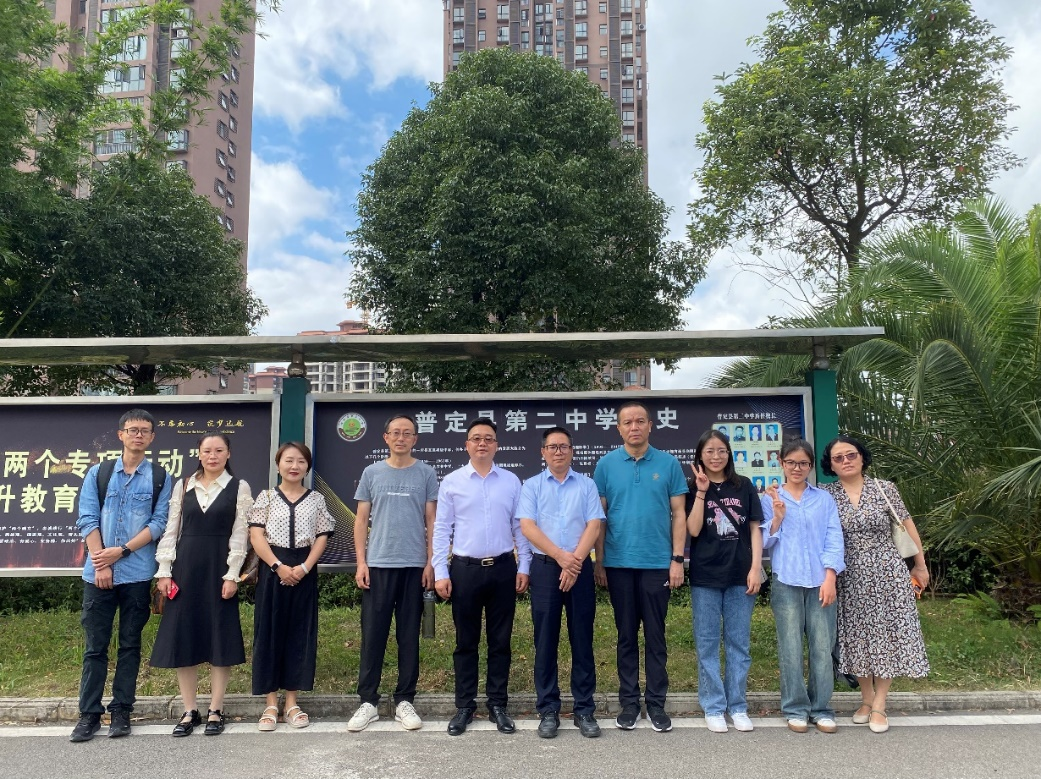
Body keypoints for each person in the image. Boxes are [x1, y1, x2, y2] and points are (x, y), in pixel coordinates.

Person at [70, 409, 172, 743]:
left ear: (152, 437)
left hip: (138, 574)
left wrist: (123, 551)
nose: (138, 435)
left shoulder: (160, 477)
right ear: (121, 435)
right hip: (97, 574)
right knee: (95, 647)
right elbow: (87, 518)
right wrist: (102, 563)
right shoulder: (98, 473)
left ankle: (121, 711)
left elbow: (158, 523)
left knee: (130, 644)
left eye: (144, 431)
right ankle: (88, 714)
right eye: (132, 430)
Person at [821, 435, 930, 734]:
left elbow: (907, 525)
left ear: (862, 457)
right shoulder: (826, 494)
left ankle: (880, 703)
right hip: (848, 576)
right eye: (838, 458)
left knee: (886, 636)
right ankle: (866, 698)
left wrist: (920, 565)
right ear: (831, 465)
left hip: (887, 573)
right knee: (856, 636)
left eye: (851, 455)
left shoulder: (884, 488)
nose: (845, 461)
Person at [593, 401, 687, 733]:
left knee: (656, 636)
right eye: (627, 422)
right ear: (618, 428)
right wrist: (599, 561)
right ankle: (630, 703)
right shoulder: (606, 465)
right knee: (626, 636)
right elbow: (599, 518)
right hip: (618, 564)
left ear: (650, 425)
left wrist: (677, 559)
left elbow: (679, 514)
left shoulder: (668, 464)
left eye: (640, 421)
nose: (634, 427)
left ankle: (656, 704)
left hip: (657, 564)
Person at [433, 418, 531, 736]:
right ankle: (465, 706)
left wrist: (524, 566)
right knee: (466, 642)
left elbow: (520, 527)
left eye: (488, 438)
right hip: (465, 570)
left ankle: (498, 705)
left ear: (496, 445)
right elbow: (442, 529)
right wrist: (440, 571)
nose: (482, 443)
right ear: (467, 445)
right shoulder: (452, 482)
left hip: (503, 568)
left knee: (500, 642)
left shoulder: (511, 481)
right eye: (476, 438)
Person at [151, 432, 253, 737]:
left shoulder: (239, 487)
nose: (213, 456)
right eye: (207, 450)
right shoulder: (184, 485)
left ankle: (216, 709)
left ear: (228, 454)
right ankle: (189, 710)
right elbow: (172, 529)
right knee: (185, 638)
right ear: (199, 454)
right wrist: (164, 570)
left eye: (219, 450)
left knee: (220, 638)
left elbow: (241, 534)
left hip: (219, 569)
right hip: (185, 568)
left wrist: (232, 574)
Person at [348, 415, 439, 733]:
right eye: (395, 433)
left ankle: (405, 700)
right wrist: (361, 563)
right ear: (385, 437)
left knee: (408, 635)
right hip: (378, 565)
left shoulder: (426, 473)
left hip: (414, 566)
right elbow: (361, 520)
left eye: (407, 433)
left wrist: (431, 562)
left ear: (415, 439)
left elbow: (432, 521)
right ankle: (368, 702)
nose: (401, 438)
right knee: (373, 635)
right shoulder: (371, 472)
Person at [518, 427, 605, 739]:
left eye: (564, 446)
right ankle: (548, 709)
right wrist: (561, 557)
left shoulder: (586, 485)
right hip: (545, 569)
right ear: (543, 452)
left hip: (579, 569)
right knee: (545, 640)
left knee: (582, 639)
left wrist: (574, 562)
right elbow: (527, 526)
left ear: (572, 451)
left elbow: (594, 525)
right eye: (552, 447)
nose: (558, 451)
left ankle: (584, 709)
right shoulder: (531, 486)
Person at [760, 439, 845, 734]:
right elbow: (764, 543)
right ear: (781, 463)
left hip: (821, 582)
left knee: (822, 646)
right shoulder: (769, 498)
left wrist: (831, 577)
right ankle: (795, 708)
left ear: (810, 466)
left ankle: (821, 708)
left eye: (803, 463)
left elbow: (834, 538)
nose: (797, 468)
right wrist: (778, 517)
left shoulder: (824, 499)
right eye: (791, 462)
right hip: (786, 580)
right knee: (791, 647)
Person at [249, 442, 334, 731]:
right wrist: (278, 566)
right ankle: (271, 704)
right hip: (272, 568)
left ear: (307, 467)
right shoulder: (266, 497)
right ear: (278, 465)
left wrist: (305, 567)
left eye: (300, 461)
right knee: (269, 632)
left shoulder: (316, 499)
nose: (294, 466)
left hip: (304, 569)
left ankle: (292, 703)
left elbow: (322, 536)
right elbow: (256, 536)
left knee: (299, 634)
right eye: (288, 460)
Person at [686, 429, 763, 733]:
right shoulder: (692, 487)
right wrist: (701, 492)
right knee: (707, 643)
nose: (716, 456)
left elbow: (755, 529)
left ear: (729, 454)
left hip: (740, 574)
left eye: (721, 450)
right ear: (700, 456)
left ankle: (738, 706)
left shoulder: (744, 486)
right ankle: (714, 706)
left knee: (738, 643)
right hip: (705, 575)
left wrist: (756, 568)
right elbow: (693, 530)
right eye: (709, 451)